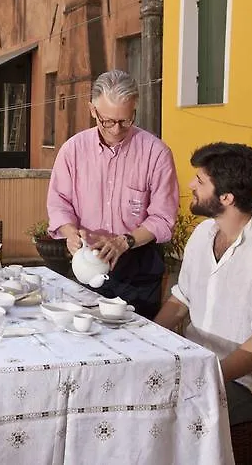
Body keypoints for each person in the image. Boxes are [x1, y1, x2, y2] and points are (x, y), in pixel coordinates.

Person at [154, 142, 252, 426]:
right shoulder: (202, 233)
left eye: (200, 181)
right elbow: (181, 299)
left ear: (226, 197)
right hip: (194, 365)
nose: (191, 185)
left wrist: (208, 377)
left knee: (162, 418)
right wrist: (146, 340)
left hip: (247, 385)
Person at [46, 69, 179, 319]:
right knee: (83, 335)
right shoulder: (73, 150)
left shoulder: (156, 153)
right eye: (107, 121)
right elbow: (59, 203)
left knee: (140, 338)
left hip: (138, 267)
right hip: (87, 262)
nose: (116, 130)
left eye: (125, 121)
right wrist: (70, 233)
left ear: (134, 110)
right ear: (92, 110)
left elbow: (163, 217)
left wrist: (124, 241)